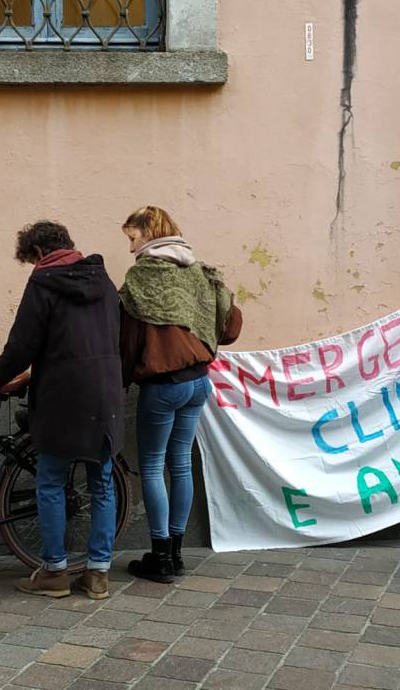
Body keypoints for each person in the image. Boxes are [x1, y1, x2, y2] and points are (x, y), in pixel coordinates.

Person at [0, 221, 124, 600]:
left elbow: (21, 346)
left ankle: (55, 573)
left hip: (62, 399)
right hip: (104, 396)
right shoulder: (104, 282)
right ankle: (98, 575)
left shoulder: (43, 284)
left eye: (29, 259)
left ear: (39, 253)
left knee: (52, 483)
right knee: (102, 484)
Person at [119, 206, 242, 583]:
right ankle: (176, 554)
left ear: (148, 233)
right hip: (198, 381)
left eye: (132, 237)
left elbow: (128, 337)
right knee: (181, 465)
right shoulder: (198, 273)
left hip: (164, 384)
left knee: (154, 466)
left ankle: (159, 557)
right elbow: (230, 326)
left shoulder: (144, 275)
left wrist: (119, 377)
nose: (130, 247)